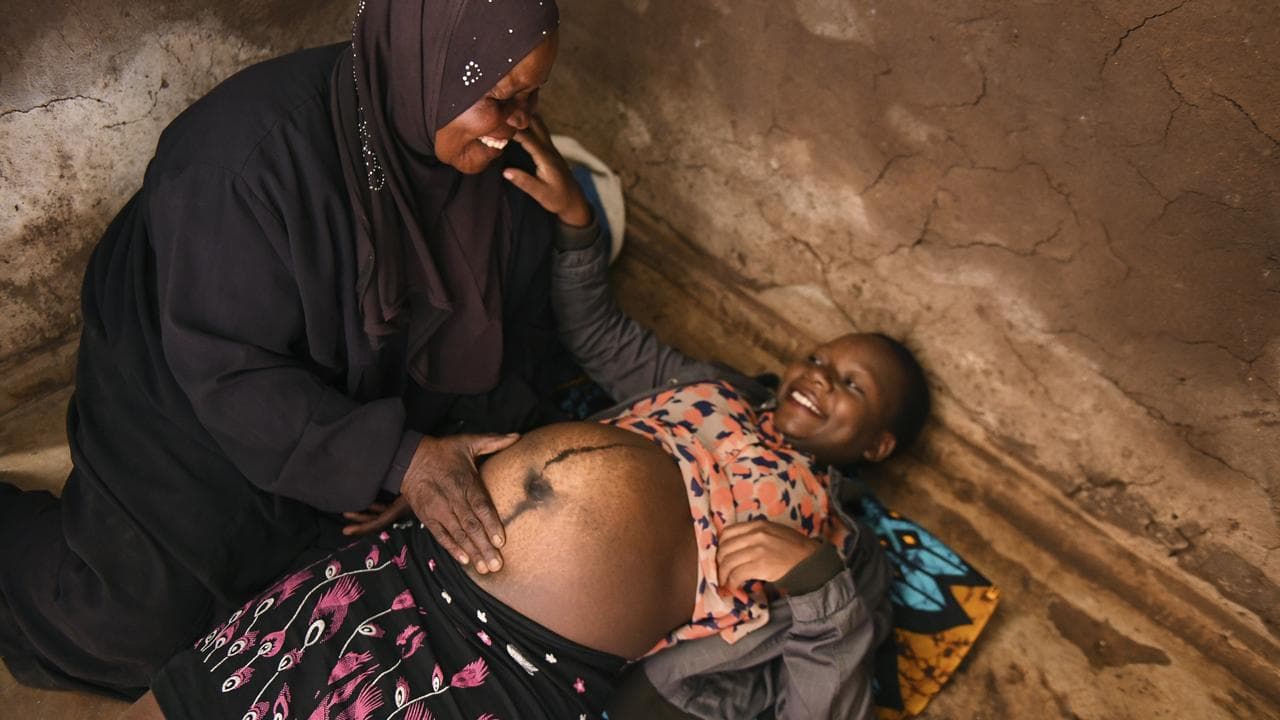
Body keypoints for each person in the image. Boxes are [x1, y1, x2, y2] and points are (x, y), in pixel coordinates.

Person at [118, 169, 930, 718]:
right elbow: (597, 331)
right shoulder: (709, 384)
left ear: (883, 446)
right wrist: (578, 225)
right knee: (216, 696)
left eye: (852, 386)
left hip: (519, 666)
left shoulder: (842, 552)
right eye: (821, 357)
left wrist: (818, 583)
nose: (820, 376)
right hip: (424, 556)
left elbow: (823, 706)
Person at [0, 0, 590, 699]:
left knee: (334, 588)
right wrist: (401, 458)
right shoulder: (243, 165)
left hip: (351, 393)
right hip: (190, 370)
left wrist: (432, 450)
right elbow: (230, 372)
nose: (521, 122)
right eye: (499, 98)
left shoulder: (499, 173)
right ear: (424, 65)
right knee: (134, 621)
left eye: (533, 95)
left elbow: (511, 334)